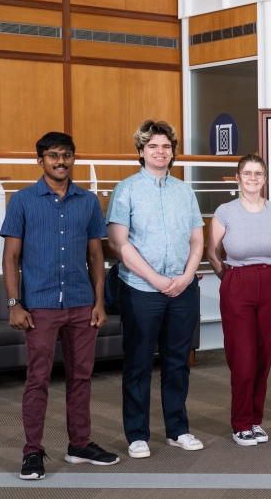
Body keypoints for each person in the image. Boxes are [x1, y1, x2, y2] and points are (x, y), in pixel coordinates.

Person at [2, 132, 120, 480]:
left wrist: (99, 302)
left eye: (67, 155)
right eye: (53, 155)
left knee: (81, 378)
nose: (60, 161)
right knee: (37, 379)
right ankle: (33, 452)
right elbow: (11, 257)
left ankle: (79, 444)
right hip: (39, 305)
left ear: (73, 159)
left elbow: (96, 256)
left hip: (82, 304)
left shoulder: (87, 201)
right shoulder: (22, 200)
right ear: (40, 160)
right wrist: (14, 304)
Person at [106, 120, 205, 459]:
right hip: (141, 290)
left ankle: (178, 429)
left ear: (173, 152)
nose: (160, 151)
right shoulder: (127, 189)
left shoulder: (184, 190)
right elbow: (120, 244)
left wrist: (186, 277)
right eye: (152, 146)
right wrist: (156, 279)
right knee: (138, 363)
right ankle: (137, 434)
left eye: (165, 146)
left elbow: (197, 240)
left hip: (183, 290)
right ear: (141, 152)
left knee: (178, 362)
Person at [207, 154, 271, 446]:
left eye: (258, 173)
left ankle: (255, 420)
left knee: (264, 356)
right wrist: (228, 277)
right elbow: (212, 252)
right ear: (238, 178)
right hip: (238, 282)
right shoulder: (225, 212)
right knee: (242, 357)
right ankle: (240, 422)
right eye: (247, 173)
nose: (253, 178)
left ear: (265, 179)